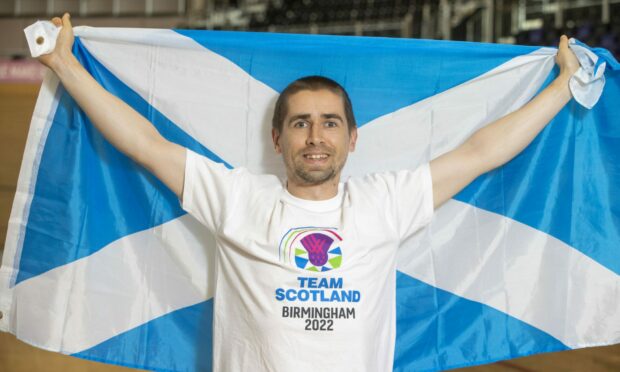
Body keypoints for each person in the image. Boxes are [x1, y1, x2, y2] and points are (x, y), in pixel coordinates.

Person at [38, 13, 580, 372]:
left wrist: (561, 88)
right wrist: (65, 64)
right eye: (300, 124)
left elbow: (482, 152)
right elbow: (145, 145)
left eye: (329, 123)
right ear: (277, 139)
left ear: (352, 137)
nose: (316, 137)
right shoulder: (237, 198)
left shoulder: (384, 202)